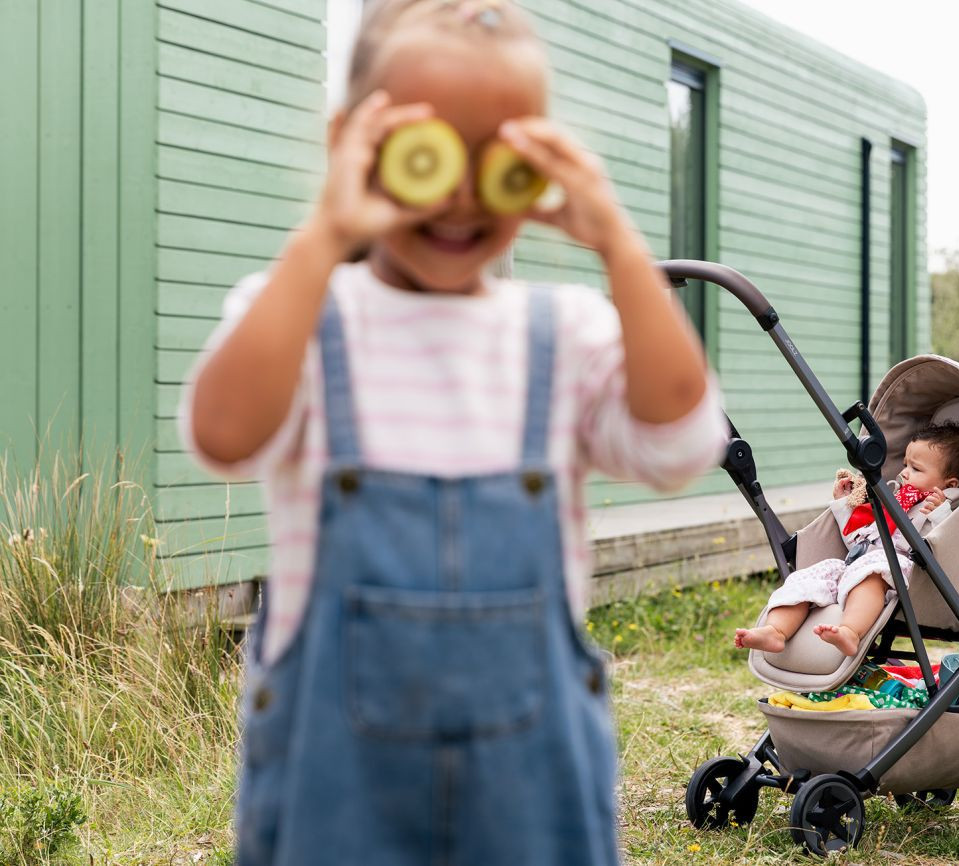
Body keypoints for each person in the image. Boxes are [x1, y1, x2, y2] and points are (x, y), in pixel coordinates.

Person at [180, 1, 726, 862]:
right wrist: (323, 234)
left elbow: (681, 442)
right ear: (353, 145)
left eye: (496, 156)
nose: (462, 192)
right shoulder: (302, 322)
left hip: (532, 810)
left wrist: (617, 244)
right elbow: (222, 436)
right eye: (428, 153)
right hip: (337, 809)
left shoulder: (568, 332)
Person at [735, 422, 959, 658]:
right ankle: (776, 631)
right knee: (807, 577)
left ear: (951, 484)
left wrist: (940, 514)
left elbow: (949, 544)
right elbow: (859, 541)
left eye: (915, 469)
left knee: (872, 574)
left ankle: (850, 632)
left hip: (895, 572)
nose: (904, 472)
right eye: (905, 464)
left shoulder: (940, 510)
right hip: (854, 564)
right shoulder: (893, 499)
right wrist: (843, 505)